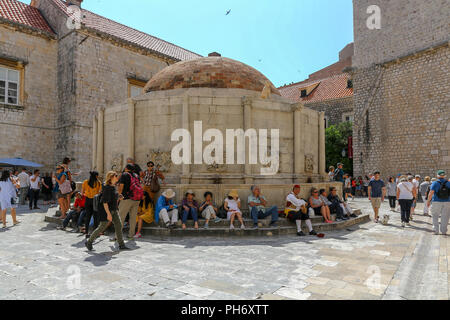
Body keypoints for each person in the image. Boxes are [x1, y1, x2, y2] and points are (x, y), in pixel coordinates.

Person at [85, 171, 129, 251]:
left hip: (114, 209)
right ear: (111, 177)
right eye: (116, 176)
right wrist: (108, 214)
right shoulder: (107, 188)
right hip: (106, 211)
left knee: (118, 225)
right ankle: (89, 242)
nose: (117, 177)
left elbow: (112, 197)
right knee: (101, 227)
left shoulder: (113, 186)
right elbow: (105, 202)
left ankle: (121, 245)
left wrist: (119, 197)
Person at [118, 164, 142, 239]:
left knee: (120, 217)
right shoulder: (136, 175)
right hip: (136, 199)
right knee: (133, 218)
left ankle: (117, 236)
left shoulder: (124, 174)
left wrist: (119, 196)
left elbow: (121, 186)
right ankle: (131, 235)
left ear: (126, 168)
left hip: (126, 199)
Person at [427, 170, 450, 236]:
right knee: (445, 217)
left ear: (438, 175)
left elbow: (431, 193)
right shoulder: (449, 183)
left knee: (435, 215)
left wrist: (428, 201)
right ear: (444, 175)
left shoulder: (435, 183)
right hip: (447, 202)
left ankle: (435, 230)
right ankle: (444, 231)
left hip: (436, 201)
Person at [81, 171, 102, 238]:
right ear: (96, 176)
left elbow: (82, 192)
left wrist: (87, 193)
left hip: (87, 200)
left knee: (88, 216)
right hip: (95, 200)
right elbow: (100, 192)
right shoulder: (98, 183)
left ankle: (86, 232)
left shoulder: (85, 182)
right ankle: (96, 233)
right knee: (96, 217)